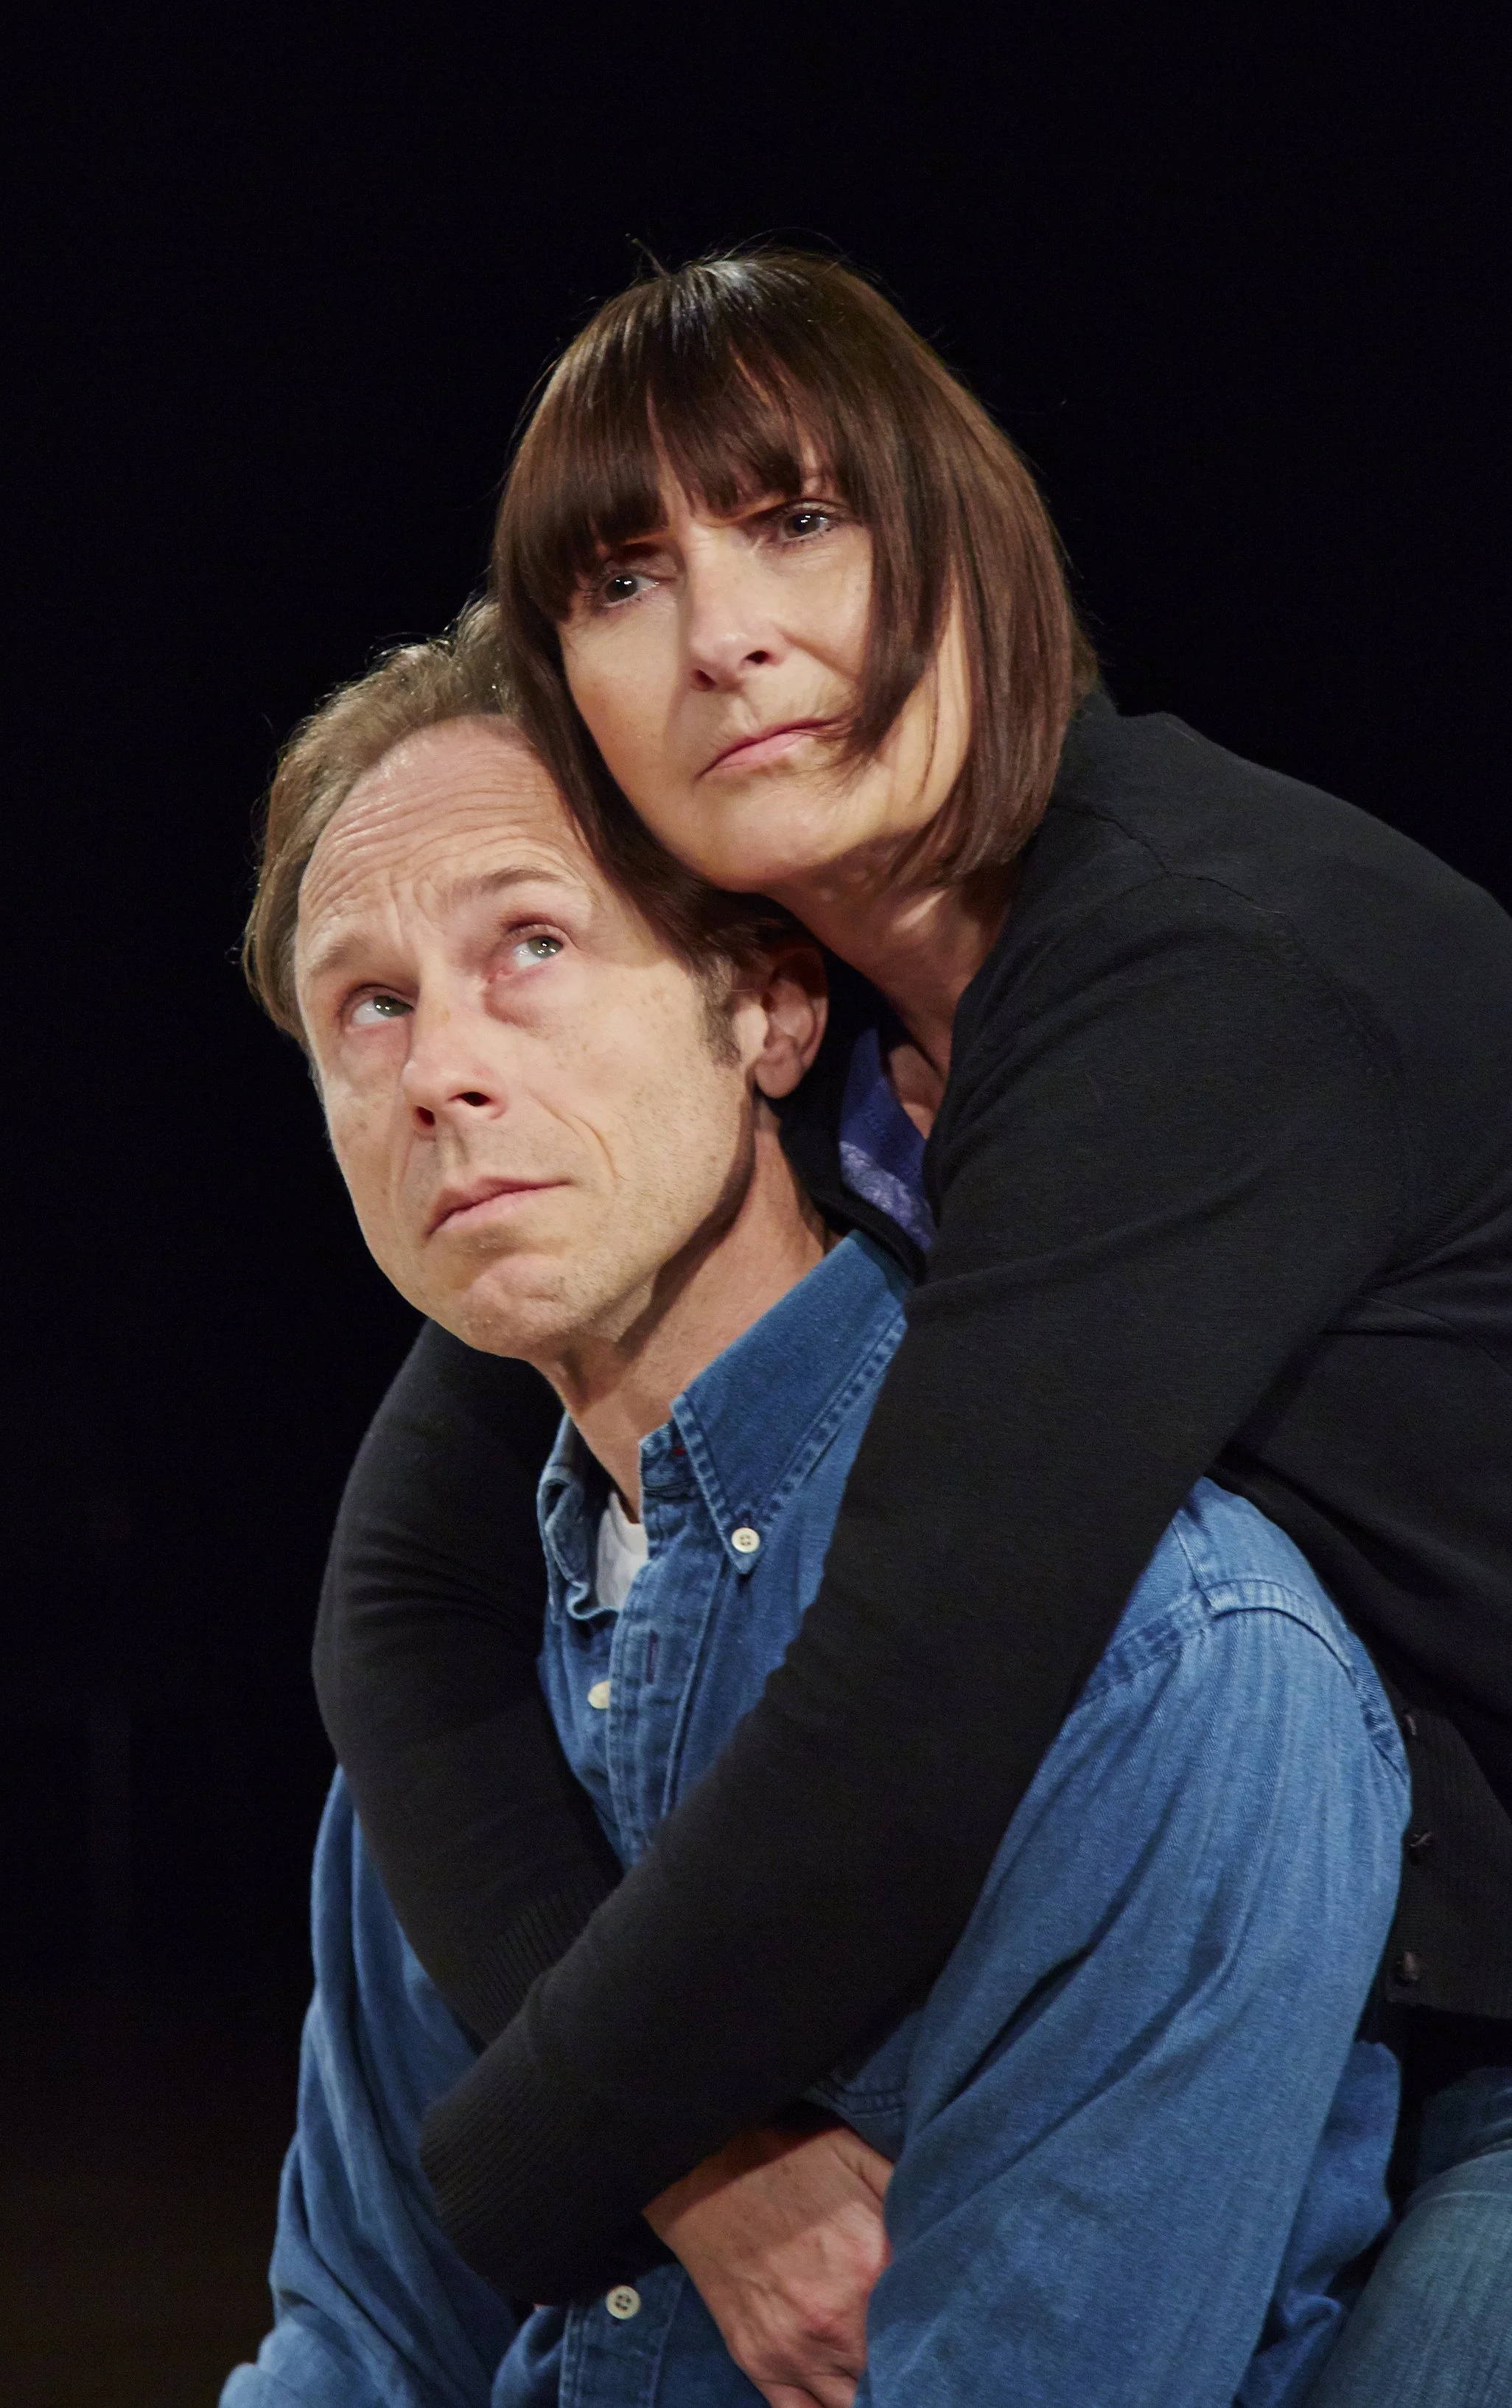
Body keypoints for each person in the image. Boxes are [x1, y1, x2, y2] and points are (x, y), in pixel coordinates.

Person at [303, 251, 1512, 2401]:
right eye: (620, 578)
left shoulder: (1204, 977)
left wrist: (550, 2156)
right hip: (1379, 1956)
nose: (727, 632)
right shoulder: (823, 1015)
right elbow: (398, 1601)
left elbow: (898, 1732)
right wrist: (689, 2160)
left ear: (959, 534)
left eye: (796, 521)